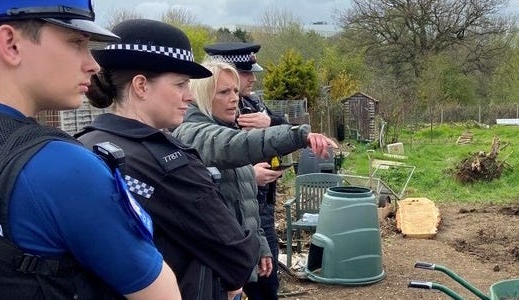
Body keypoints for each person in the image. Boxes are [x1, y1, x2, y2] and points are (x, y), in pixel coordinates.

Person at [0, 1, 179, 299]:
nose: (93, 64)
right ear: (10, 44)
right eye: (76, 43)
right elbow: (160, 294)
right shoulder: (60, 165)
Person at [73, 19, 261, 300]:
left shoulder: (83, 144)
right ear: (140, 86)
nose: (188, 97)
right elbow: (238, 256)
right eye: (181, 84)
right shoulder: (166, 163)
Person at [172, 61, 337, 298]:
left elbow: (245, 202)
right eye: (223, 92)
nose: (234, 99)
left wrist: (260, 246)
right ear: (202, 95)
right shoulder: (192, 131)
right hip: (216, 265)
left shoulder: (227, 127)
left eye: (236, 91)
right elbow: (234, 145)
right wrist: (298, 135)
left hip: (237, 255)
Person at [204, 42, 287, 299]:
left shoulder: (253, 105)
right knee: (248, 286)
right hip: (236, 217)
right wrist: (249, 174)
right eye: (245, 72)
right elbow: (215, 160)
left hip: (261, 209)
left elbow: (284, 131)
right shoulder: (210, 117)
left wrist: (270, 122)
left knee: (268, 285)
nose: (252, 78)